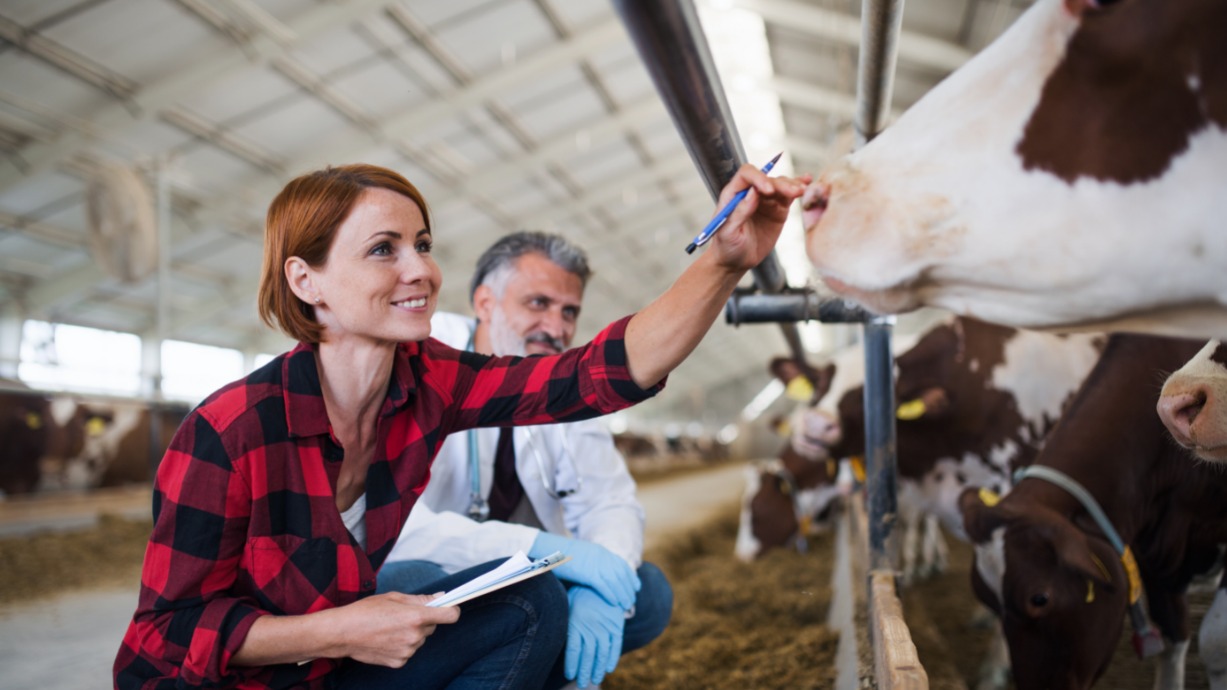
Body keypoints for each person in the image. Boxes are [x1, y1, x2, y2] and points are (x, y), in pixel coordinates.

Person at [112, 161, 808, 690]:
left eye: (422, 243)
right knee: (499, 596)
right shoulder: (230, 429)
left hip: (340, 662)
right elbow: (165, 632)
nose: (422, 269)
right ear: (305, 281)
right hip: (253, 678)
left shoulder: (426, 380)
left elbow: (602, 372)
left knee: (535, 606)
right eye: (384, 249)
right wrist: (343, 629)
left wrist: (722, 261)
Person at [379, 231, 673, 689]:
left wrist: (599, 583)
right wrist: (536, 549)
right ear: (485, 303)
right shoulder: (415, 364)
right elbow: (392, 529)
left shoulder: (568, 383)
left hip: (526, 581)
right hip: (443, 574)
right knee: (412, 578)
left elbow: (609, 502)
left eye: (568, 311)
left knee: (646, 592)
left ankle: (527, 667)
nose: (556, 328)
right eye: (538, 303)